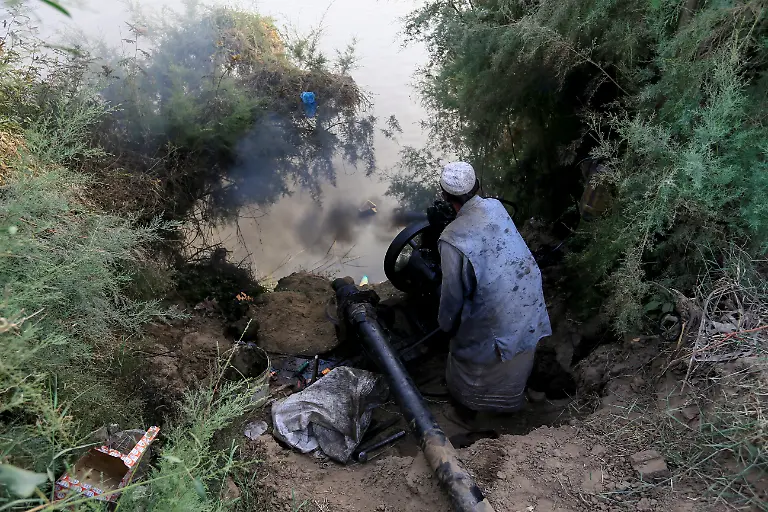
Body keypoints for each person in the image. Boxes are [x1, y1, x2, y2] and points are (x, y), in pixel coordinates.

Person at [437, 161, 551, 416]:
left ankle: (473, 410)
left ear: (445, 196)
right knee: (520, 349)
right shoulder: (496, 207)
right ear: (478, 186)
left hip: (499, 318)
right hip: (529, 297)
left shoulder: (452, 239)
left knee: (469, 353)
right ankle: (517, 396)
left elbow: (452, 296)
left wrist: (446, 326)